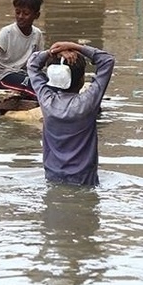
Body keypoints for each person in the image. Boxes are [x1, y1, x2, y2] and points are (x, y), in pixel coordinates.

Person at [27, 42, 115, 186]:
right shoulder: (88, 103)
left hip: (53, 178)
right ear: (81, 80)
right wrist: (76, 46)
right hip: (84, 180)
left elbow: (32, 64)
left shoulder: (47, 101)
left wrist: (52, 52)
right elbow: (107, 60)